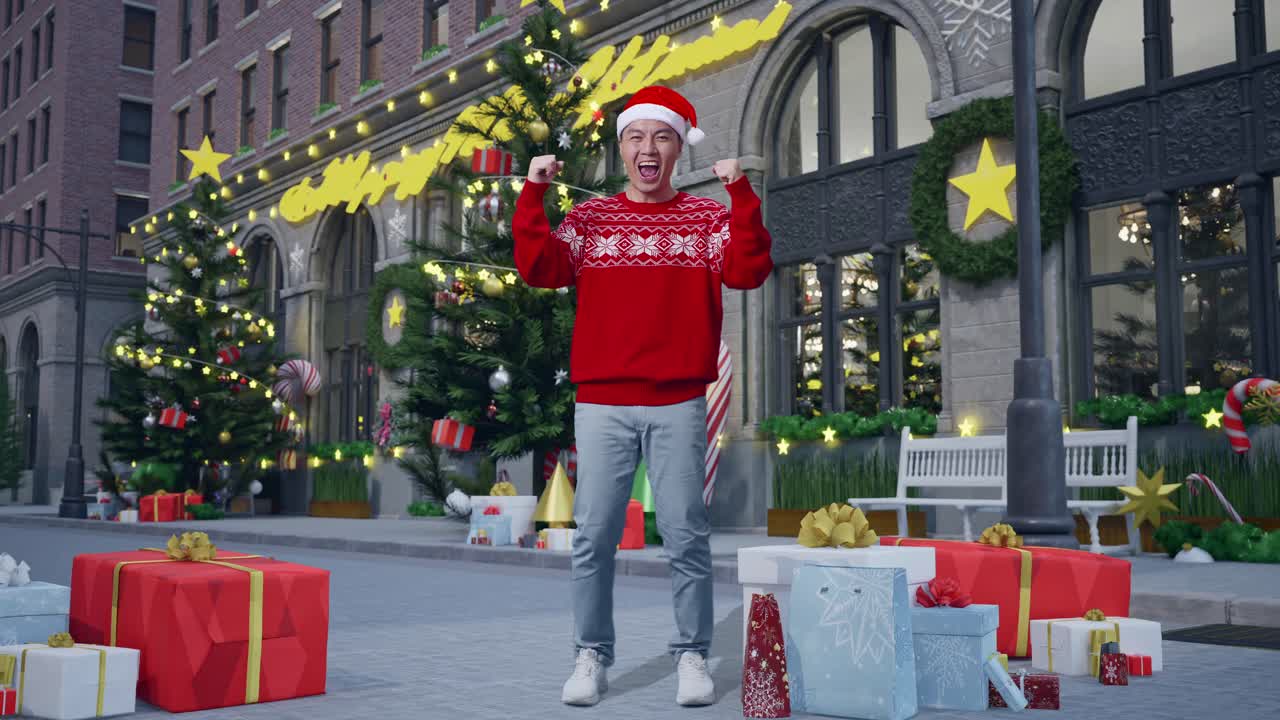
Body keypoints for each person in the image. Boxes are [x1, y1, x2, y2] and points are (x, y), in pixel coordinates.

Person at [512, 85, 773, 708]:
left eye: (661, 137)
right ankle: (592, 656)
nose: (647, 148)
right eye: (636, 137)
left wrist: (739, 194)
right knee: (594, 536)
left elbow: (747, 270)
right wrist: (534, 192)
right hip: (601, 401)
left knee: (686, 534)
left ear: (679, 148)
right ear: (623, 148)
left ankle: (691, 656)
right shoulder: (591, 220)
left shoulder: (707, 219)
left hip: (678, 400)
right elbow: (539, 268)